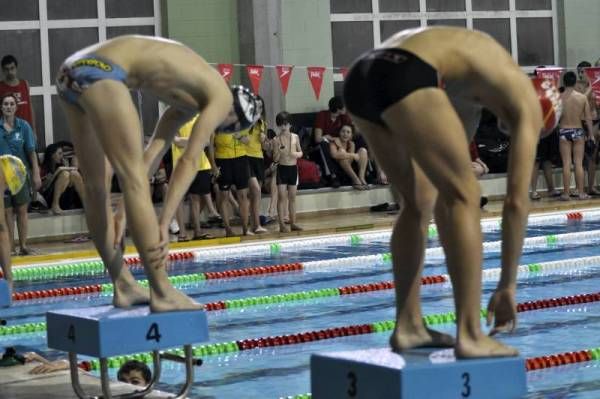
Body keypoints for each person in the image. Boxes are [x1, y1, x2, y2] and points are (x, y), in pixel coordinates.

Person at [343, 26, 553, 358]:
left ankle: (408, 327)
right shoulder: (526, 101)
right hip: (406, 71)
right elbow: (516, 201)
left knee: (417, 201)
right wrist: (507, 286)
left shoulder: (470, 83)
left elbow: (444, 176)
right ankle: (470, 334)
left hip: (361, 76)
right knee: (467, 195)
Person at [55, 35, 260, 312]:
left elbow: (151, 156)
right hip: (103, 72)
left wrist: (125, 212)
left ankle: (123, 284)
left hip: (70, 72)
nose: (219, 129)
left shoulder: (187, 101)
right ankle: (162, 292)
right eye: (229, 127)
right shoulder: (222, 97)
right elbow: (189, 161)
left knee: (96, 187)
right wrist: (164, 222)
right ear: (236, 117)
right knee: (130, 182)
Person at [0, 93, 41, 256]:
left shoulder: (24, 126)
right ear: (1, 108)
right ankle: (10, 247)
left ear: (16, 107)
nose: (9, 107)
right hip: (2, 178)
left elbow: (31, 152)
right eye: (5, 104)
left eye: (11, 104)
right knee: (7, 212)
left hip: (21, 176)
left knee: (22, 211)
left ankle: (23, 245)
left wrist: (36, 173)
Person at [171, 115, 218, 241]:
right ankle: (182, 234)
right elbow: (176, 141)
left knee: (196, 198)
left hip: (200, 164)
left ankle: (197, 231)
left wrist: (187, 141)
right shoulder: (174, 117)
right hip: (181, 164)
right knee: (179, 199)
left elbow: (207, 141)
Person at [558, 71, 594, 201]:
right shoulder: (582, 98)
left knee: (566, 163)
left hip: (564, 131)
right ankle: (581, 193)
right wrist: (591, 135)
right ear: (575, 83)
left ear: (564, 82)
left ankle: (566, 194)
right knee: (578, 164)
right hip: (578, 131)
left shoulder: (559, 97)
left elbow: (555, 117)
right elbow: (588, 118)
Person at [311, 96, 353, 187]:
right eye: (344, 106)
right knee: (324, 144)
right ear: (338, 109)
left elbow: (351, 132)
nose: (346, 108)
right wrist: (332, 138)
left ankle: (362, 173)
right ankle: (333, 176)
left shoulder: (344, 117)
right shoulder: (322, 115)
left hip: (337, 145)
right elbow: (317, 138)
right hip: (318, 147)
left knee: (356, 142)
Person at [273, 111, 303, 233]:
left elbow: (301, 153)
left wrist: (295, 154)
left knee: (292, 198)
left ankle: (293, 222)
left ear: (290, 124)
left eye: (285, 124)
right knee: (281, 197)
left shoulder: (295, 137)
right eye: (281, 125)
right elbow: (274, 159)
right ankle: (281, 224)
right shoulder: (276, 139)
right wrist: (278, 152)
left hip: (293, 169)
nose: (283, 127)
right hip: (282, 169)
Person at [244, 96, 268, 234]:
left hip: (258, 158)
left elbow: (264, 147)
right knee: (254, 191)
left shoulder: (262, 123)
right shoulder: (245, 123)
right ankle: (248, 226)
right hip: (245, 158)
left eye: (260, 107)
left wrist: (265, 141)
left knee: (255, 195)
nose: (258, 109)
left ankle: (255, 225)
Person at [575, 61, 600, 195]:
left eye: (586, 71)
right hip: (581, 123)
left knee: (592, 157)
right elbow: (581, 99)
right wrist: (592, 85)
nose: (582, 74)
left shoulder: (596, 86)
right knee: (579, 158)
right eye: (582, 72)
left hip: (594, 122)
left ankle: (591, 187)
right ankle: (578, 188)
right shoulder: (577, 86)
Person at [40, 143, 85, 214]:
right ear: (52, 155)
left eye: (62, 154)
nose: (62, 156)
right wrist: (56, 174)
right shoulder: (44, 169)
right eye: (59, 154)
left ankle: (85, 203)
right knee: (65, 174)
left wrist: (65, 167)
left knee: (74, 173)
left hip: (65, 199)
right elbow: (42, 188)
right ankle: (55, 204)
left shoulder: (62, 164)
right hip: (50, 198)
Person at [0, 55, 35, 131]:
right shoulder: (1, 87)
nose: (10, 72)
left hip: (26, 131)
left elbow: (30, 108)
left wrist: (34, 131)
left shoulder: (25, 84)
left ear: (16, 68)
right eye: (7, 69)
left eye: (12, 68)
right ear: (3, 70)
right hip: (8, 133)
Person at [329, 124, 369, 189]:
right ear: (339, 133)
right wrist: (352, 155)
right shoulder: (334, 142)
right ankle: (356, 180)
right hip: (338, 166)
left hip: (348, 165)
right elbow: (334, 155)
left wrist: (350, 155)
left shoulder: (351, 143)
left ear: (351, 135)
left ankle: (361, 177)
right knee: (342, 153)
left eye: (348, 132)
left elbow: (350, 160)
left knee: (363, 150)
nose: (345, 134)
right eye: (343, 131)